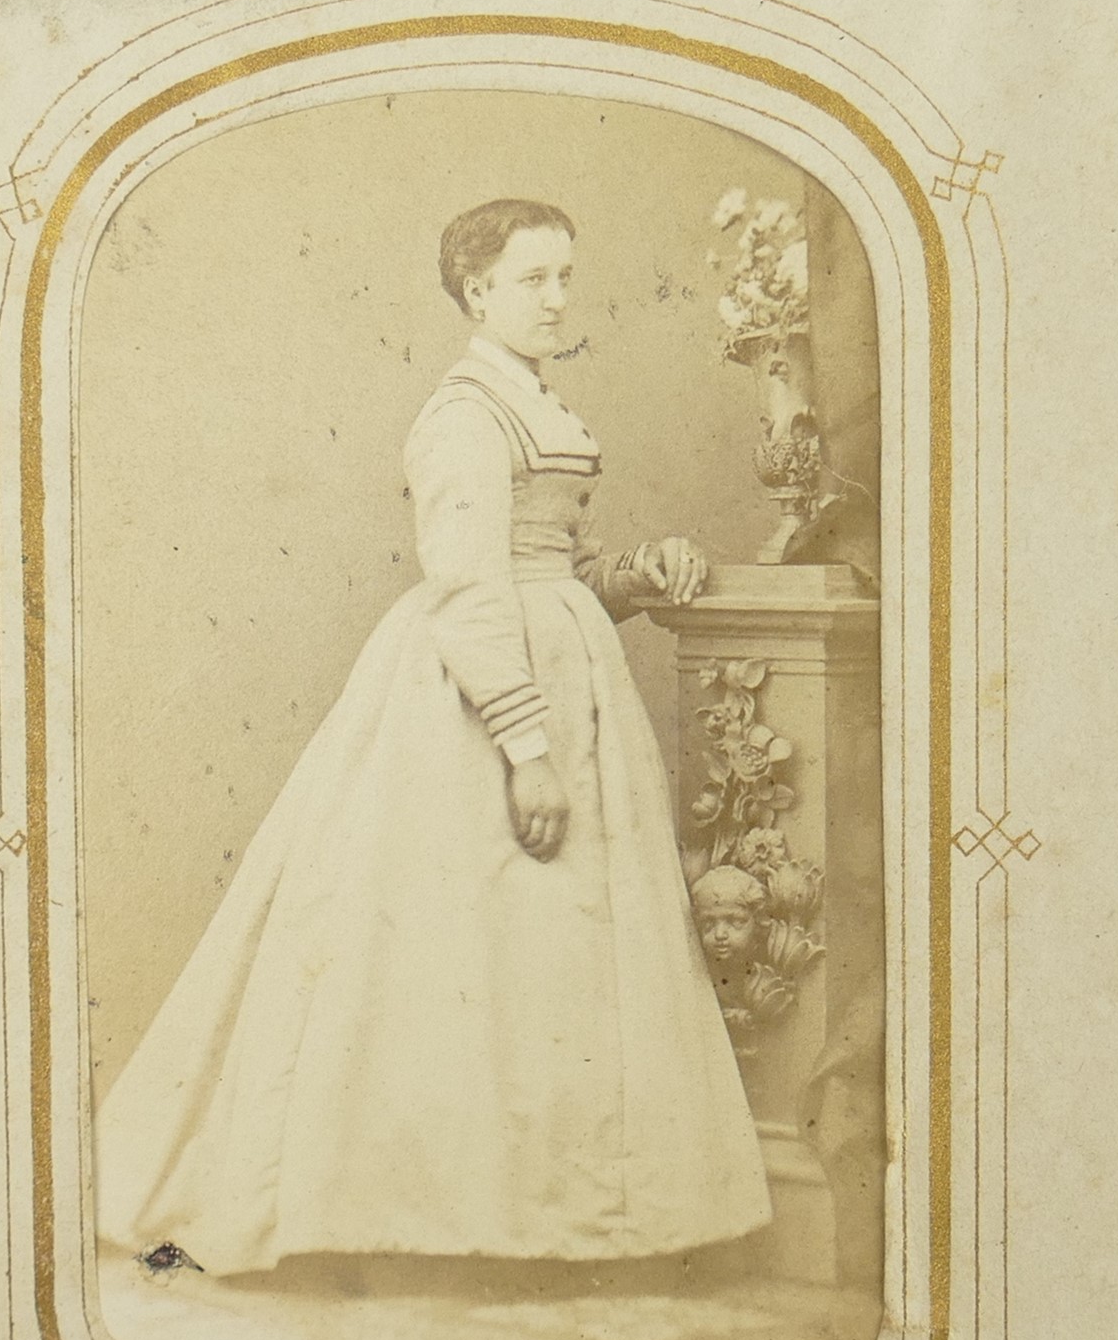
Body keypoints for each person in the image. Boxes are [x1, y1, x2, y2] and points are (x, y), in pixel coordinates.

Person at [96, 198, 771, 1278]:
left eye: (565, 276)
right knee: (458, 948)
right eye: (533, 279)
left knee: (551, 959)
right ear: (476, 292)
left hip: (564, 674)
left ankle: (541, 1221)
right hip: (480, 698)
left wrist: (642, 572)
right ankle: (426, 1223)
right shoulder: (462, 416)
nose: (557, 299)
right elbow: (469, 587)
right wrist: (526, 750)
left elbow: (567, 568)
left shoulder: (537, 405)